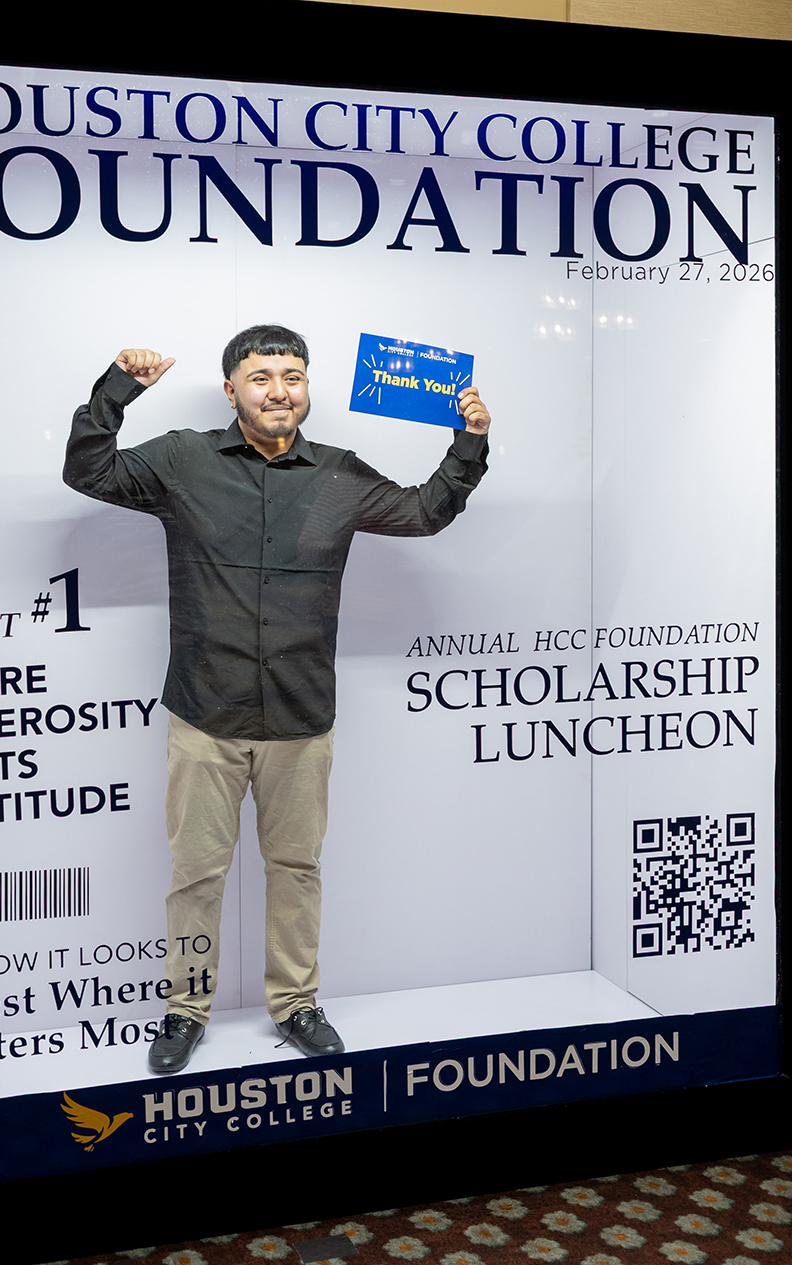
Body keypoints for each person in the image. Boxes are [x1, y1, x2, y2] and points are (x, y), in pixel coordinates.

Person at [64, 325, 490, 1073]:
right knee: (197, 875)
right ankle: (186, 1007)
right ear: (232, 390)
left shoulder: (338, 475)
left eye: (292, 376)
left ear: (306, 388)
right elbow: (88, 470)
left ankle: (295, 1004)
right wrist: (118, 389)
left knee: (296, 869)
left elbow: (424, 512)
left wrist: (469, 441)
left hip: (301, 716)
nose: (278, 390)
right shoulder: (184, 460)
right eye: (260, 377)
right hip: (206, 713)